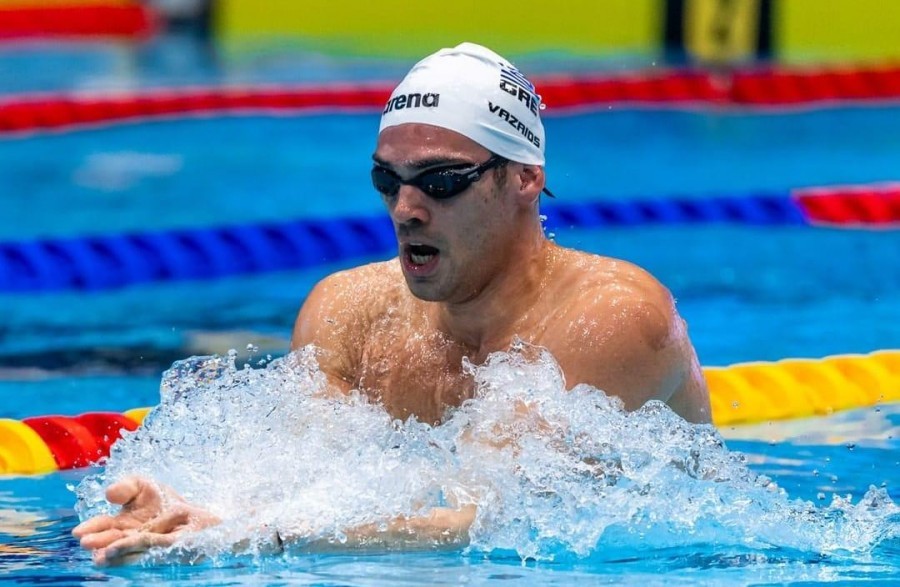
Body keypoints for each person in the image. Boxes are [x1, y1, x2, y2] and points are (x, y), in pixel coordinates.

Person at [74, 42, 711, 566]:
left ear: (525, 178)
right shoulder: (350, 311)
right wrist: (204, 512)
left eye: (441, 182)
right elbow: (302, 479)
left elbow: (490, 518)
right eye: (388, 180)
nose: (406, 210)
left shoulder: (610, 318)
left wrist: (261, 536)